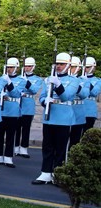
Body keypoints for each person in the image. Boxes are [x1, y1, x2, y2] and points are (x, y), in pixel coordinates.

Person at [33, 52, 79, 184]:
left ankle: (58, 174)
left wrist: (58, 85)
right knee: (47, 146)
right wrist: (44, 101)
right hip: (49, 116)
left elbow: (66, 97)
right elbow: (41, 97)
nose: (59, 66)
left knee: (60, 148)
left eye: (62, 64)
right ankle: (45, 172)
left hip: (63, 118)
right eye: (57, 64)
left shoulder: (74, 80)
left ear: (68, 65)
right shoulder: (48, 79)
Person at [0, 57, 25, 168]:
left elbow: (16, 94)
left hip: (12, 110)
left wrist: (9, 82)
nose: (9, 69)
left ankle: (8, 157)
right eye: (7, 67)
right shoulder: (0, 78)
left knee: (11, 135)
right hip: (1, 110)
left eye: (11, 67)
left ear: (16, 68)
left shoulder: (21, 80)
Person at [14, 57, 43, 158]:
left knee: (26, 128)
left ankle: (24, 148)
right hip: (18, 104)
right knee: (16, 128)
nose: (27, 68)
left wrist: (26, 82)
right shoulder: (18, 77)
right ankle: (16, 146)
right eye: (26, 66)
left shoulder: (37, 79)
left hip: (28, 105)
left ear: (33, 67)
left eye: (29, 66)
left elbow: (34, 90)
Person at [67, 56, 89, 149]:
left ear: (79, 68)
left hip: (78, 111)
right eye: (70, 66)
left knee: (75, 139)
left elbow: (84, 94)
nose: (71, 69)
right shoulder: (62, 79)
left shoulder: (83, 81)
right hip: (66, 110)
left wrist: (77, 85)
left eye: (73, 67)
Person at [82, 57, 100, 133]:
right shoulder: (78, 79)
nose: (85, 69)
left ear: (93, 68)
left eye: (88, 67)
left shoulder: (98, 80)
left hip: (89, 111)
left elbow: (94, 92)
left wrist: (87, 81)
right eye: (84, 67)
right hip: (78, 110)